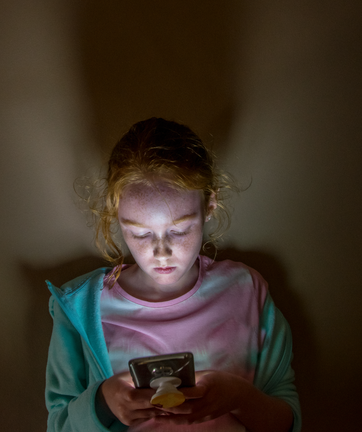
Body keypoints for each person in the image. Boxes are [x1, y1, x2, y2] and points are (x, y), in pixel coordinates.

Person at [45, 118, 301, 431]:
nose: (162, 252)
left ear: (209, 205)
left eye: (179, 229)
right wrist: (103, 402)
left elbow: (286, 422)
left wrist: (238, 397)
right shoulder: (79, 308)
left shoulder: (246, 291)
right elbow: (59, 426)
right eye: (140, 233)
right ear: (116, 215)